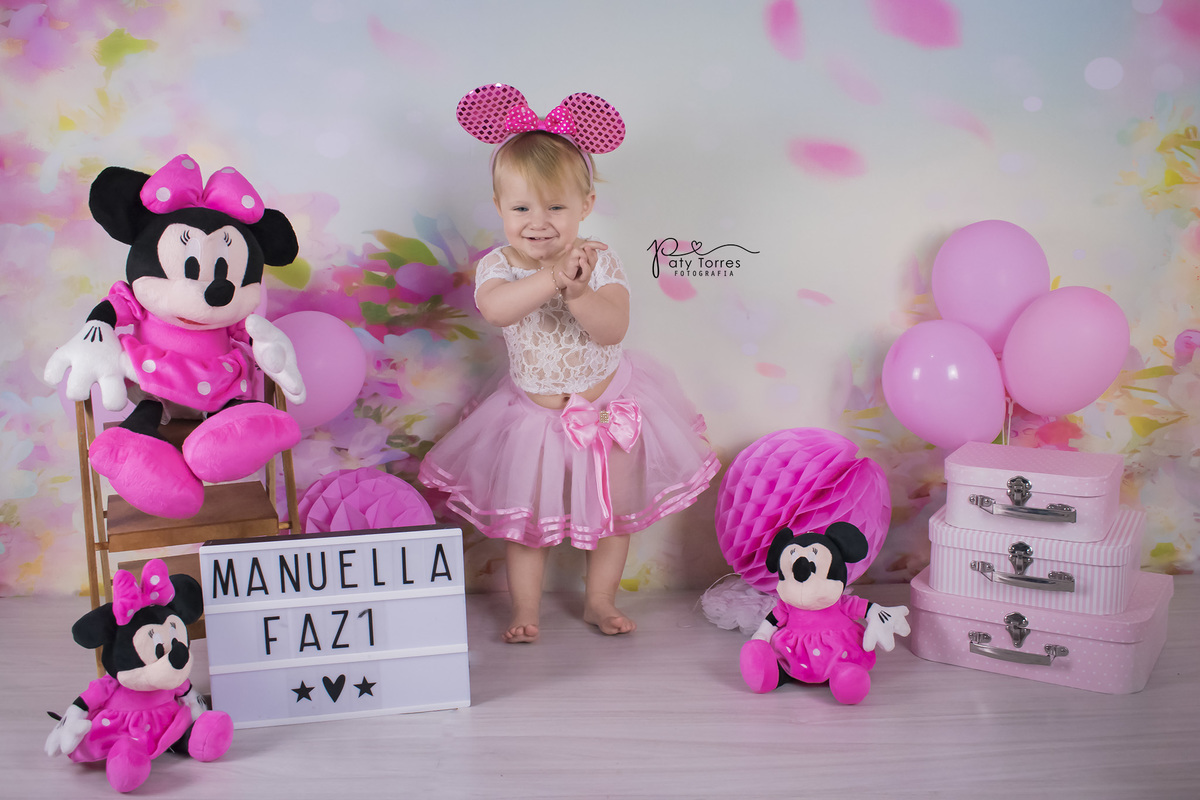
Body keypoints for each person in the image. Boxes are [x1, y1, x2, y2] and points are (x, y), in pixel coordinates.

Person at [420, 84, 719, 643]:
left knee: (614, 515)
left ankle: (599, 600)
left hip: (608, 408)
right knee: (526, 524)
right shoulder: (498, 266)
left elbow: (613, 327)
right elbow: (497, 309)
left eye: (555, 207)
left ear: (585, 206)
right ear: (499, 208)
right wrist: (551, 279)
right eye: (521, 208)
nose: (539, 221)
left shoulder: (599, 260)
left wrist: (578, 291)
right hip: (532, 422)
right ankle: (525, 610)